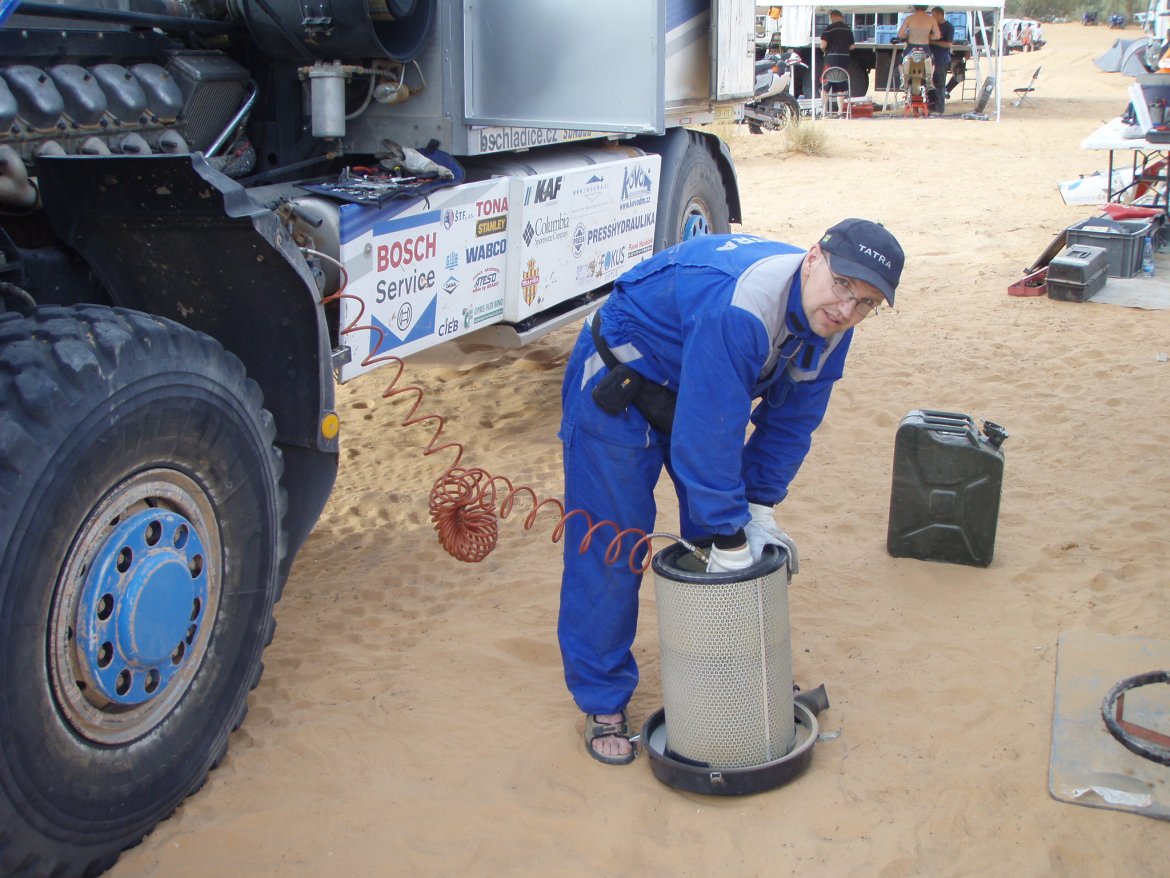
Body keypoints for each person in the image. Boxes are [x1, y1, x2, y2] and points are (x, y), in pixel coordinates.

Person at [557, 220, 905, 765]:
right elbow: (708, 432)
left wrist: (759, 508)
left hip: (697, 389)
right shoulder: (741, 306)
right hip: (621, 380)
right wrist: (729, 528)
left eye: (865, 304)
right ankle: (603, 699)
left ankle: (731, 677)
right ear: (812, 258)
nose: (846, 310)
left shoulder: (834, 327)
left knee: (724, 539)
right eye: (842, 285)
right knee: (614, 543)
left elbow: (791, 422)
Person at [897, 5, 939, 100]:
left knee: (900, 62)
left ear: (915, 7)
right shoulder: (931, 19)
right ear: (926, 7)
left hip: (911, 46)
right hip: (925, 47)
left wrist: (907, 36)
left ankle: (903, 78)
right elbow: (937, 35)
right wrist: (928, 36)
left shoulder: (910, 18)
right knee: (932, 62)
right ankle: (930, 78)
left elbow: (900, 34)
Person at [820, 10, 855, 115]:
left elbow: (823, 45)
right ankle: (840, 111)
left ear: (832, 17)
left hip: (830, 61)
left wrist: (823, 49)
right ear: (841, 17)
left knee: (825, 85)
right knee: (841, 86)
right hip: (844, 61)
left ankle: (824, 110)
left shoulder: (829, 29)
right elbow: (852, 46)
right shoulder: (848, 29)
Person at [929, 7, 954, 114]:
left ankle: (940, 109)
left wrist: (934, 42)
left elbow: (948, 44)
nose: (932, 17)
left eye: (933, 14)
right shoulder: (931, 26)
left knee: (940, 84)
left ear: (940, 14)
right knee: (929, 83)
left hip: (941, 59)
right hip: (930, 59)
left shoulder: (948, 27)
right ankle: (931, 106)